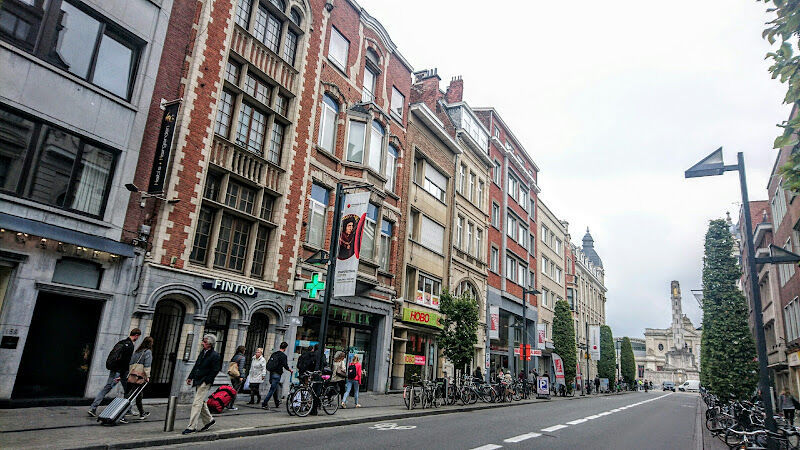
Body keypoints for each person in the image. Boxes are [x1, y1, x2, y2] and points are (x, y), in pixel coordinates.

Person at [88, 328, 141, 417]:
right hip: (122, 372)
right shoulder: (130, 345)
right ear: (136, 335)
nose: (138, 338)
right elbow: (125, 361)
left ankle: (93, 408)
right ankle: (93, 408)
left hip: (115, 370)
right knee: (126, 390)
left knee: (111, 389)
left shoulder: (122, 342)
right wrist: (121, 375)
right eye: (138, 336)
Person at [182, 334, 221, 435]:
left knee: (196, 403)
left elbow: (215, 370)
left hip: (204, 381)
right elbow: (197, 365)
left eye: (204, 341)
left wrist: (207, 380)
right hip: (198, 379)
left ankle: (192, 426)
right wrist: (190, 377)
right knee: (201, 402)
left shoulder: (215, 355)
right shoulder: (202, 352)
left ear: (209, 344)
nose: (202, 343)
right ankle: (209, 420)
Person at [121, 336, 153, 423]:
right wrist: (148, 376)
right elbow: (147, 365)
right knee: (132, 396)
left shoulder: (137, 351)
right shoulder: (148, 352)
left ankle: (142, 413)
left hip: (132, 375)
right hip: (139, 377)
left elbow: (131, 363)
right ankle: (121, 415)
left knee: (138, 395)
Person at [262, 342, 292, 410]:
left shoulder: (274, 354)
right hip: (277, 374)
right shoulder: (283, 356)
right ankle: (264, 403)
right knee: (272, 389)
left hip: (271, 373)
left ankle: (277, 402)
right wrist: (290, 370)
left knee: (274, 388)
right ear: (285, 348)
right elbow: (285, 365)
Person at [226, 346, 246, 410]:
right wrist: (241, 376)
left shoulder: (235, 356)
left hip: (232, 375)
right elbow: (240, 368)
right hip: (237, 376)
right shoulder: (242, 358)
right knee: (235, 391)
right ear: (243, 351)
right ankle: (230, 405)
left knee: (232, 390)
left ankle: (227, 403)